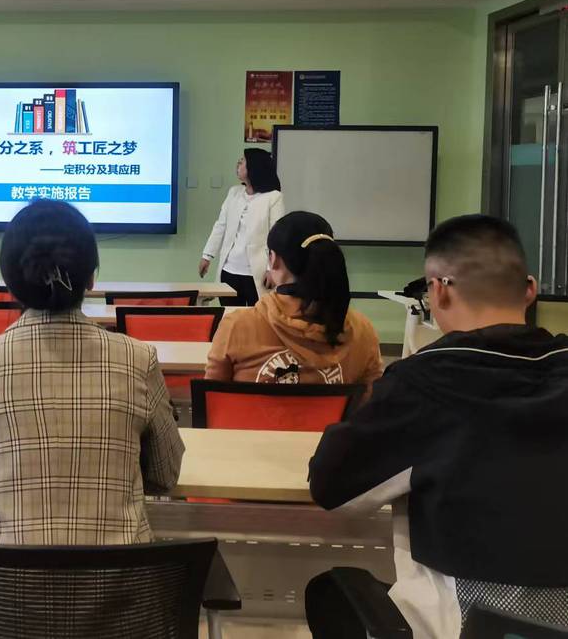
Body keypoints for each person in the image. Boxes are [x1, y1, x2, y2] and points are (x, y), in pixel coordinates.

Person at [306, 215, 568, 637]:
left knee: (330, 593)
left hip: (464, 624)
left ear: (439, 291)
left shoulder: (423, 382)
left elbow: (331, 486)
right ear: (530, 289)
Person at [0, 199, 184, 544]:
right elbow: (165, 475)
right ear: (91, 278)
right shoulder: (139, 360)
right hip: (115, 576)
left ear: (9, 283)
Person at [206, 211, 382, 393]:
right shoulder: (362, 331)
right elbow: (372, 401)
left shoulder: (237, 326)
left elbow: (212, 400)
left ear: (273, 259)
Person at [199, 148, 285, 306]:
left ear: (254, 167)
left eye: (243, 161)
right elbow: (220, 226)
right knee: (231, 316)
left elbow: (277, 236)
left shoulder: (273, 197)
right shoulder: (234, 192)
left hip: (257, 273)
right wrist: (207, 256)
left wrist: (272, 269)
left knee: (257, 317)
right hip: (229, 270)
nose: (238, 164)